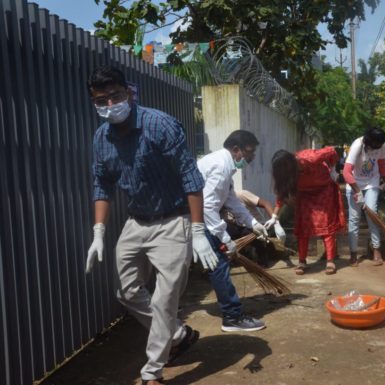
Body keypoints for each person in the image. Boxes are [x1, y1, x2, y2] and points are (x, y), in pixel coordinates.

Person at [85, 66, 218, 385]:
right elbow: (101, 183)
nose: (109, 104)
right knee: (127, 292)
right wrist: (99, 232)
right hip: (137, 221)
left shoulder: (159, 125)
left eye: (115, 96)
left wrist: (198, 231)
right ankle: (177, 334)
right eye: (101, 100)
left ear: (128, 93)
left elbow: (190, 176)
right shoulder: (102, 138)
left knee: (163, 300)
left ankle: (152, 372)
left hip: (173, 221)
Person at [196, 130, 267, 333]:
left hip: (198, 219)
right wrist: (225, 238)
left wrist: (253, 223)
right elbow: (208, 207)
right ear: (236, 150)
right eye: (249, 152)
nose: (251, 158)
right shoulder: (220, 167)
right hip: (196, 220)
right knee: (219, 264)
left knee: (215, 264)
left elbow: (231, 200)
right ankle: (232, 317)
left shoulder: (225, 165)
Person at [271, 147, 346, 275]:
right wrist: (274, 216)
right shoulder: (286, 174)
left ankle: (330, 260)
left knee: (326, 227)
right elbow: (282, 192)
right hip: (305, 194)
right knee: (303, 228)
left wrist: (333, 168)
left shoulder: (310, 157)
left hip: (324, 190)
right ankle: (302, 261)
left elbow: (332, 151)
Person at [343, 128, 385, 266]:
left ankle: (376, 249)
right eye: (375, 145)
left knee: (372, 215)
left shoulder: (381, 144)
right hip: (354, 183)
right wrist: (357, 192)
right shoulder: (357, 145)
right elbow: (346, 172)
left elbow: (381, 164)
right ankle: (353, 253)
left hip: (372, 182)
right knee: (354, 219)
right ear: (369, 141)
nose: (377, 147)